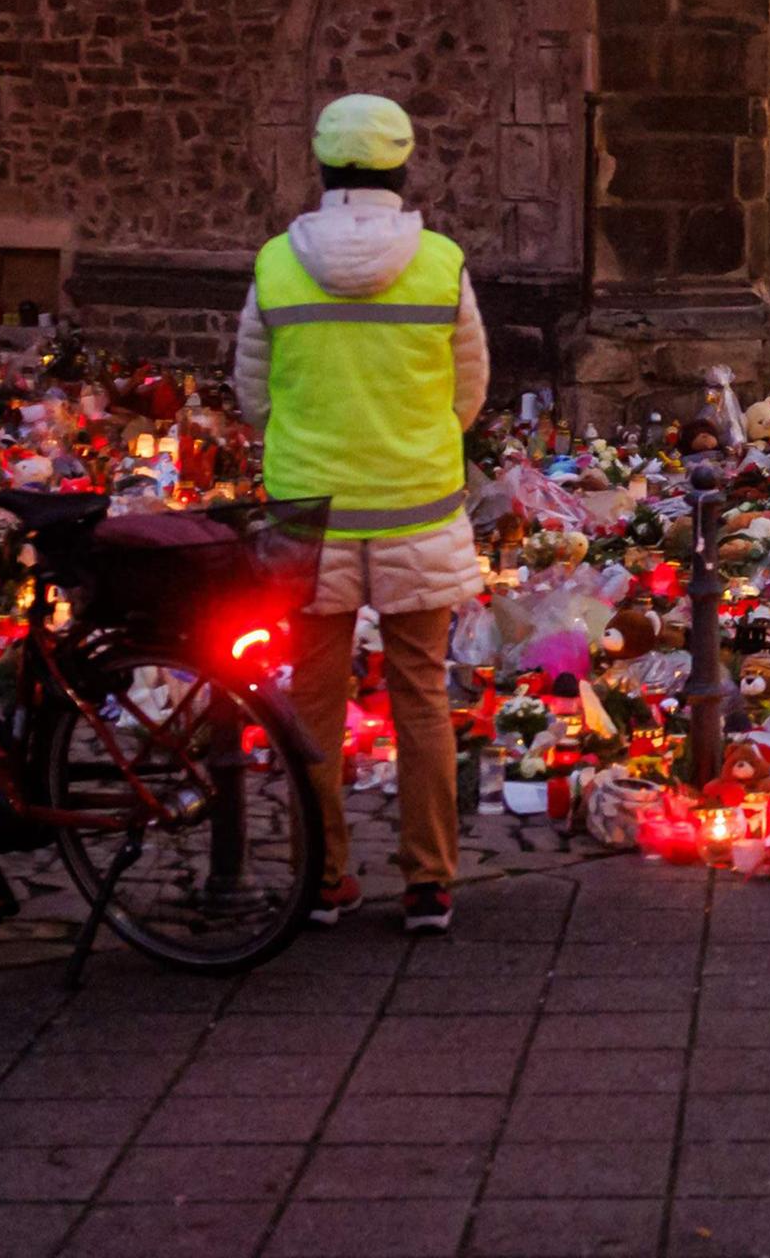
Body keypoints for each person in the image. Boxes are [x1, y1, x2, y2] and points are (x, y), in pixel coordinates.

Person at [235, 93, 489, 932]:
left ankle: (324, 876)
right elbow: (469, 391)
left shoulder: (277, 262)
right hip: (416, 505)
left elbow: (251, 392)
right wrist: (413, 442)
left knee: (312, 699)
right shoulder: (441, 261)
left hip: (310, 514)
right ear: (402, 165)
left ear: (322, 166)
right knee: (420, 695)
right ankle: (428, 882)